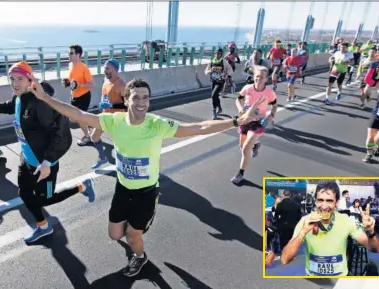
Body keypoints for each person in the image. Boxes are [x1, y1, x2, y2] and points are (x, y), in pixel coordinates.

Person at [31, 76, 263, 277]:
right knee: (114, 235)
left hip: (146, 192)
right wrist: (45, 98)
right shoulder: (114, 121)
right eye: (136, 98)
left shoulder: (157, 125)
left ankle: (140, 256)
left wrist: (236, 121)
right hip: (123, 188)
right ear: (126, 100)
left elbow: (199, 127)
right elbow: (78, 114)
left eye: (145, 98)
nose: (142, 103)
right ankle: (136, 233)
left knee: (133, 236)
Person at [0, 62, 96, 243]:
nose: (15, 83)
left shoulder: (39, 103)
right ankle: (44, 227)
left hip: (44, 163)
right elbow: (9, 106)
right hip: (27, 159)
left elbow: (59, 134)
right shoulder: (19, 97)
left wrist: (47, 162)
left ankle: (83, 186)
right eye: (12, 79)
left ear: (30, 79)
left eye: (20, 79)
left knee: (45, 200)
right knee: (24, 193)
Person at [280, 181, 379, 276]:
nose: (324, 206)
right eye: (320, 200)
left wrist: (370, 232)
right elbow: (285, 259)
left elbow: (375, 249)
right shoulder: (305, 220)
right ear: (315, 201)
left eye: (329, 201)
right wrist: (303, 232)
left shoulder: (346, 220)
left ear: (336, 203)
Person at [232, 66, 277, 185]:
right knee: (242, 148)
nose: (258, 79)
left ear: (266, 79)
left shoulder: (269, 92)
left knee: (246, 149)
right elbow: (238, 100)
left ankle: (240, 174)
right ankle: (256, 145)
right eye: (257, 76)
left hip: (258, 123)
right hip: (245, 120)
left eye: (261, 77)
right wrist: (241, 109)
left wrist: (271, 116)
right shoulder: (247, 88)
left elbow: (274, 105)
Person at [91, 59, 127, 169]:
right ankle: (102, 157)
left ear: (115, 70)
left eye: (107, 68)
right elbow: (104, 96)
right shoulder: (106, 81)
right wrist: (101, 104)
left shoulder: (121, 85)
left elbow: (127, 106)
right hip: (105, 116)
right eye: (104, 68)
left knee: (120, 145)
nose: (104, 70)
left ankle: (125, 164)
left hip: (117, 119)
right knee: (94, 137)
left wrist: (111, 106)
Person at [63, 44, 94, 146]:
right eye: (68, 53)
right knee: (73, 118)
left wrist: (79, 85)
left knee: (79, 118)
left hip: (83, 96)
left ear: (78, 54)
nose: (69, 55)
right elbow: (72, 81)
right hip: (74, 96)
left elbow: (91, 84)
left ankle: (87, 137)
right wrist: (67, 82)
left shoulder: (84, 68)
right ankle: (91, 124)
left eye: (71, 53)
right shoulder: (71, 65)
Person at [205, 48, 233, 119]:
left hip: (220, 81)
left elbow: (230, 70)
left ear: (221, 54)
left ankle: (214, 111)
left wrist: (227, 75)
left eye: (219, 53)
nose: (217, 54)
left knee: (213, 95)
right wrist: (210, 71)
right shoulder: (211, 62)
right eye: (216, 53)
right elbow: (206, 71)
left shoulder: (224, 62)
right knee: (215, 96)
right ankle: (220, 108)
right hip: (213, 81)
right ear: (215, 54)